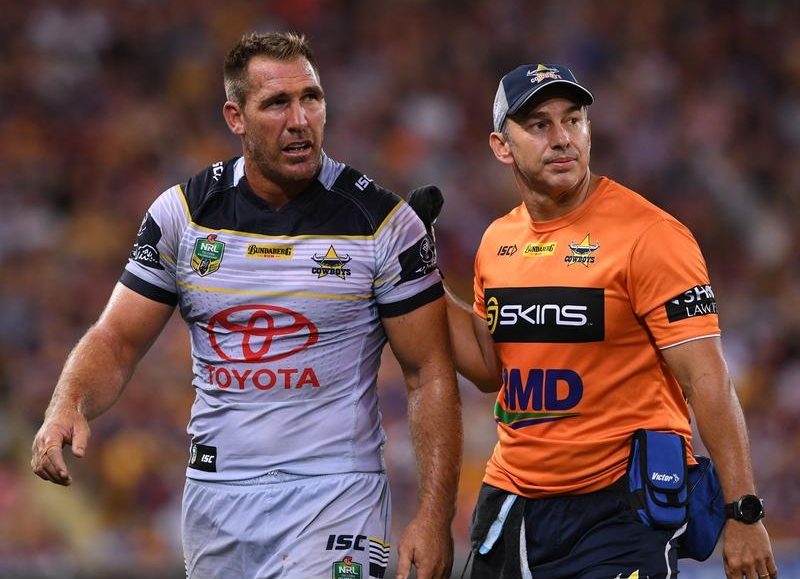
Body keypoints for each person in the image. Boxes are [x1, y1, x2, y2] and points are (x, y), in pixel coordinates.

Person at [31, 31, 462, 579]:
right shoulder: (184, 215)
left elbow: (428, 372)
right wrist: (67, 402)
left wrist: (434, 514)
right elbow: (116, 340)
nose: (300, 120)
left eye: (311, 98)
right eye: (277, 103)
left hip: (335, 495)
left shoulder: (381, 222)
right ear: (235, 117)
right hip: (216, 500)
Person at [415, 63, 778, 578]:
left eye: (574, 120)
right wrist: (422, 277)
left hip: (619, 509)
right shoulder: (497, 242)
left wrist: (743, 511)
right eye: (539, 125)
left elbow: (707, 379)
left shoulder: (651, 235)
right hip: (517, 504)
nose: (562, 138)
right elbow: (488, 368)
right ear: (501, 146)